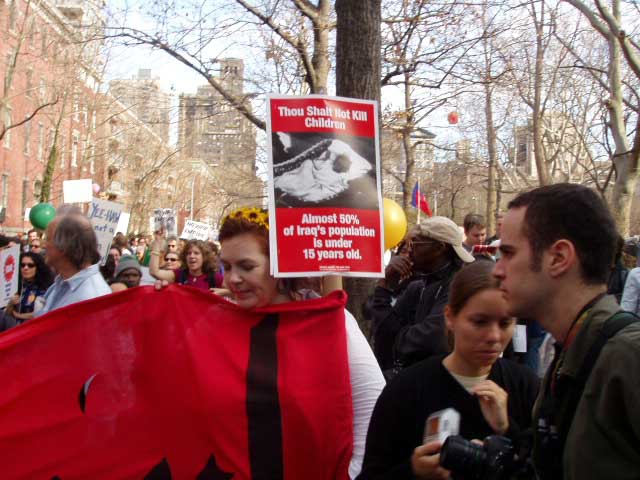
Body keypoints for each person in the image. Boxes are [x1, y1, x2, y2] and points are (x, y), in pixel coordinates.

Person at [214, 207, 385, 478]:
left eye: (246, 267)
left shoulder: (332, 325)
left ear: (279, 266)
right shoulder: (217, 323)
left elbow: (372, 409)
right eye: (227, 266)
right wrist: (161, 305)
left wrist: (351, 476)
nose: (232, 279)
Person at [493, 183, 640, 480]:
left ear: (559, 258)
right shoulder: (564, 348)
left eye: (508, 253)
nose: (497, 270)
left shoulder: (629, 356)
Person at [357, 261, 539, 479]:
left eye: (505, 323)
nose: (493, 336)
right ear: (450, 317)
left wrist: (507, 429)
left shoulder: (525, 385)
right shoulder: (406, 389)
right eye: (479, 322)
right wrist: (414, 471)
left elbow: (546, 468)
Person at [369, 216, 474, 373]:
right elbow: (383, 333)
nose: (409, 251)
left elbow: (429, 340)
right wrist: (385, 286)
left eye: (415, 244)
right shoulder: (418, 286)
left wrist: (399, 334)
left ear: (439, 248)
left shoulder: (459, 287)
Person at [36, 214, 112, 317]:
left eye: (48, 239)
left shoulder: (93, 298)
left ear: (64, 246)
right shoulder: (61, 283)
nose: (43, 245)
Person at [149, 235, 223, 293]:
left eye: (196, 253)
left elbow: (230, 289)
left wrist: (223, 292)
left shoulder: (214, 277)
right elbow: (154, 272)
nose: (191, 256)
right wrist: (157, 243)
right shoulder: (179, 274)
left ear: (204, 257)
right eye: (188, 253)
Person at [4, 252, 54, 325]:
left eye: (30, 265)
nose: (25, 268)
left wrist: (18, 315)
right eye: (22, 265)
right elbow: (6, 316)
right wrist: (11, 304)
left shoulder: (45, 288)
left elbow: (42, 313)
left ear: (38, 268)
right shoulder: (17, 286)